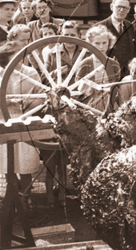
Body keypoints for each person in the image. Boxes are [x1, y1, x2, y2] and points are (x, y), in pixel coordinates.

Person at [0, 41, 43, 212]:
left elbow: (41, 96)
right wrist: (8, 101)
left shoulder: (31, 72)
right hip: (3, 119)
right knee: (7, 161)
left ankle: (26, 196)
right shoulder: (1, 73)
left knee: (25, 162)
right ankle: (12, 196)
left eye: (21, 57)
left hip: (25, 119)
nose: (19, 61)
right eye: (14, 58)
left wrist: (28, 103)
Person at [75, 25, 121, 112]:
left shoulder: (114, 64)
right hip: (89, 104)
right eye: (97, 43)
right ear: (90, 44)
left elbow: (116, 87)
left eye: (104, 43)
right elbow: (78, 88)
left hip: (110, 104)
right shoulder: (84, 64)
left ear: (109, 43)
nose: (101, 47)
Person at [94, 0, 135, 78]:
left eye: (125, 8)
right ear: (112, 7)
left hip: (126, 74)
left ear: (129, 9)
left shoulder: (130, 26)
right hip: (106, 73)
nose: (121, 10)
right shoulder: (99, 27)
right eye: (118, 7)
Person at [45, 21, 83, 85]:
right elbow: (43, 79)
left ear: (79, 35)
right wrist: (55, 73)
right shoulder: (52, 54)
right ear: (61, 35)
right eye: (66, 35)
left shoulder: (87, 53)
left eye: (72, 35)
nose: (69, 38)